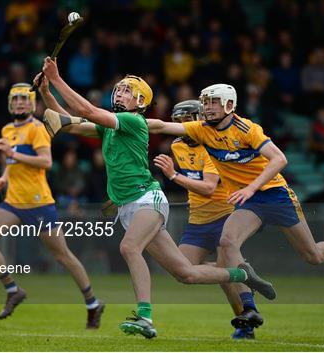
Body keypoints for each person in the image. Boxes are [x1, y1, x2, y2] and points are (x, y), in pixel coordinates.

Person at [38, 57, 276, 340]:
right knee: (185, 274)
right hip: (129, 207)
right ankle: (242, 275)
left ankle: (145, 317)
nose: (120, 93)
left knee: (129, 248)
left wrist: (56, 78)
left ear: (140, 101)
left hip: (147, 200)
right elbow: (69, 124)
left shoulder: (133, 121)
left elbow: (86, 109)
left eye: (127, 91)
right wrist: (45, 92)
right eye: (119, 89)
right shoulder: (109, 126)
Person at [147, 83, 324, 327]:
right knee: (227, 242)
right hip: (249, 202)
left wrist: (250, 187)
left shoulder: (247, 129)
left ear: (228, 105)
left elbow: (280, 159)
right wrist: (120, 121)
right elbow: (160, 125)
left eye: (213, 102)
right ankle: (250, 309)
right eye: (206, 102)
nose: (208, 107)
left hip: (276, 196)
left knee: (312, 255)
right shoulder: (202, 130)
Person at [0, 83, 104, 328]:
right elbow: (12, 165)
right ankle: (13, 290)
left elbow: (45, 162)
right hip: (13, 200)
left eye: (25, 99)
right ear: (10, 103)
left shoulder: (38, 129)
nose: (20, 103)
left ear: (32, 103)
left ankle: (92, 302)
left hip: (39, 203)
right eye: (16, 99)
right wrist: (3, 178)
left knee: (62, 256)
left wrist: (12, 153)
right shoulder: (7, 129)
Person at [153, 100, 259, 340]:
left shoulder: (212, 143)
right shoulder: (178, 145)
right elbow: (196, 183)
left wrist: (173, 176)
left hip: (224, 215)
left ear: (200, 118)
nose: (182, 125)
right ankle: (242, 272)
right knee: (184, 270)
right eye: (179, 121)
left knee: (224, 276)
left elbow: (209, 187)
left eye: (187, 120)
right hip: (198, 221)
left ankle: (245, 325)